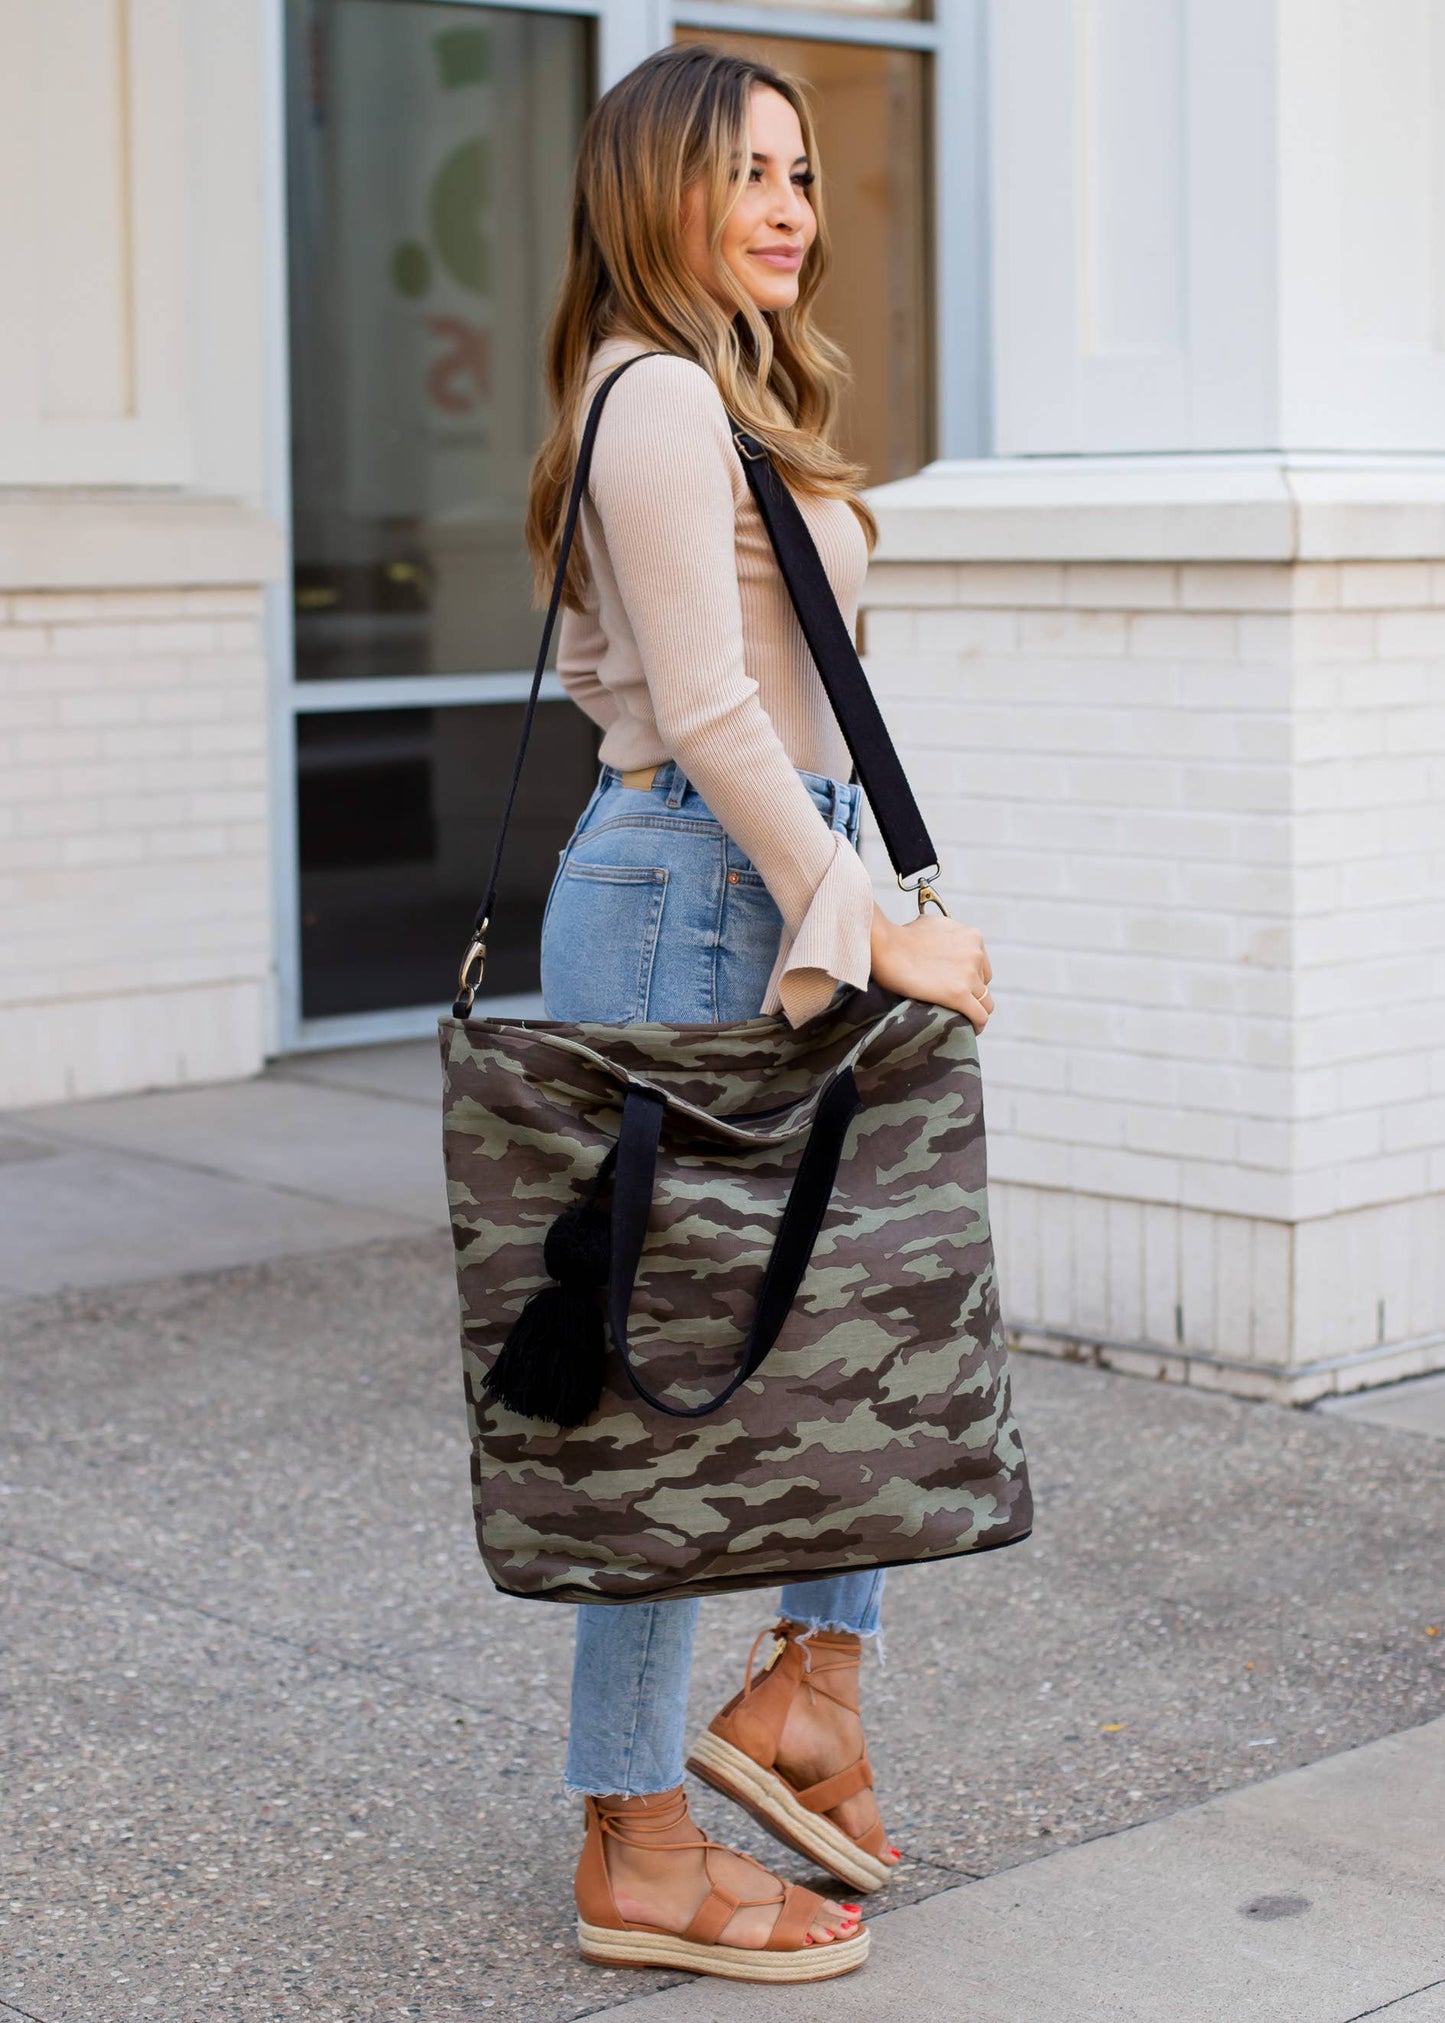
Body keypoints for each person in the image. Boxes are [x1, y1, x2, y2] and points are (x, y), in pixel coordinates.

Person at [523, 42, 994, 1985]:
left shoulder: (727, 392)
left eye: (801, 172)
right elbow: (710, 712)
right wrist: (866, 924)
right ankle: (633, 1834)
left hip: (760, 878)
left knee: (859, 1308)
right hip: (693, 898)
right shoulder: (649, 393)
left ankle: (812, 1683)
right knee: (667, 1396)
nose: (793, 206)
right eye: (748, 172)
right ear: (658, 191)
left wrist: (847, 892)